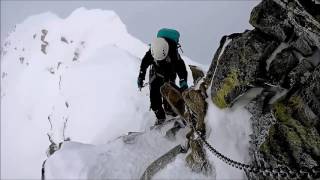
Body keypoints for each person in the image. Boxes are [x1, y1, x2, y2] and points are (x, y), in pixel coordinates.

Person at [137, 28, 188, 125]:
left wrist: (183, 80)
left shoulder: (173, 54)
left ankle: (170, 113)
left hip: (169, 77)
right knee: (154, 100)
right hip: (156, 75)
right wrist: (141, 76)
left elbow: (181, 69)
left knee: (170, 100)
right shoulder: (153, 50)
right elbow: (144, 62)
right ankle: (160, 117)